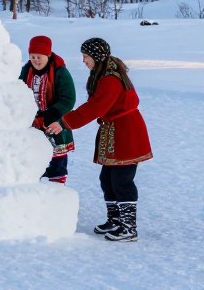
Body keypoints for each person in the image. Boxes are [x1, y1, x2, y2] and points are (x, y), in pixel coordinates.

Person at [45, 38, 152, 242]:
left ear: (96, 57)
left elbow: (95, 107)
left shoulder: (110, 79)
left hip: (127, 134)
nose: (83, 60)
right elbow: (96, 104)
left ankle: (129, 227)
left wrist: (65, 122)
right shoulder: (103, 75)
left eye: (86, 56)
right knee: (107, 178)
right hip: (115, 132)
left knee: (122, 180)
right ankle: (115, 220)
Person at [19, 35, 75, 183]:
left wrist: (52, 114)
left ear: (48, 55)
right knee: (32, 162)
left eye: (39, 56)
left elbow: (68, 99)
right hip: (32, 125)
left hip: (54, 124)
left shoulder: (60, 72)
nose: (36, 60)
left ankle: (56, 194)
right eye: (32, 56)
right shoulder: (26, 71)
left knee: (56, 163)